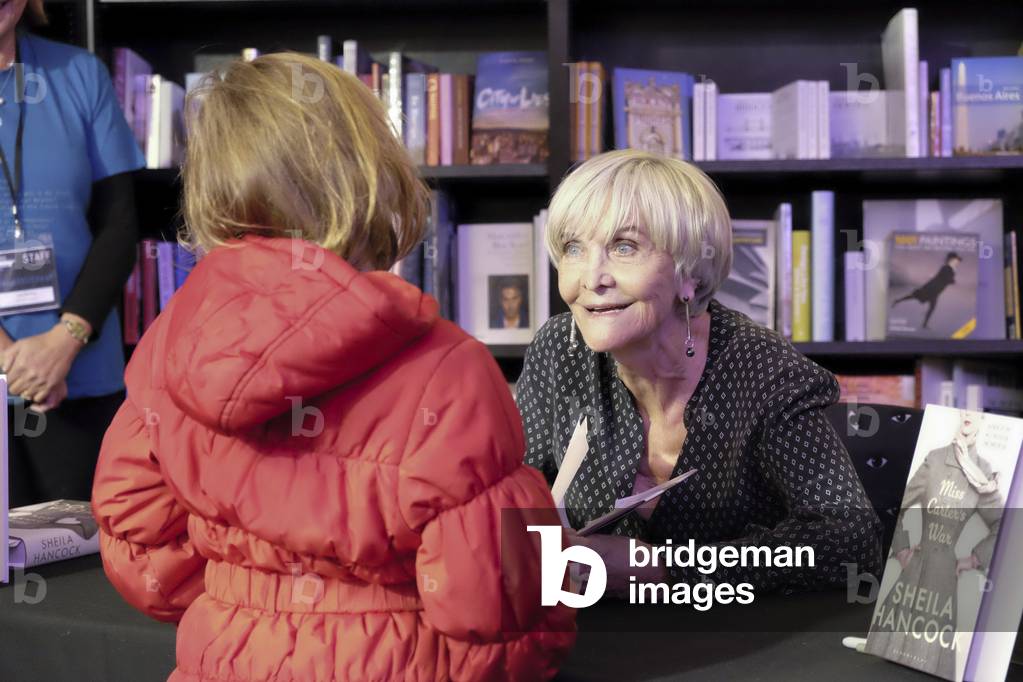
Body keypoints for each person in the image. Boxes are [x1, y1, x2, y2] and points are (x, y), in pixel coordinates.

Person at [90, 53, 574, 681]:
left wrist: (250, 602)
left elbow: (139, 548)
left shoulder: (165, 347)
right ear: (371, 174)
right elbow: (506, 617)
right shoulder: (448, 370)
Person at [518, 149, 882, 595]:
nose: (591, 277)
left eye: (624, 247)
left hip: (746, 641)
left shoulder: (764, 372)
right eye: (574, 248)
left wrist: (659, 569)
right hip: (593, 638)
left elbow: (850, 540)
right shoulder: (559, 350)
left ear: (689, 274)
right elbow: (511, 496)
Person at [0, 0, 143, 507]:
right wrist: (9, 360)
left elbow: (120, 225)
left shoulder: (80, 74)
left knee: (81, 568)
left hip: (79, 372)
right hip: (16, 368)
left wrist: (64, 340)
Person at [865, 410, 1002, 679]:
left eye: (976, 412)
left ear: (982, 420)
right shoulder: (936, 459)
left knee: (930, 660)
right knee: (886, 659)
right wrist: (902, 546)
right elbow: (901, 503)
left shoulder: (985, 474)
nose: (969, 415)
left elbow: (1005, 526)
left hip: (943, 578)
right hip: (913, 570)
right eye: (965, 409)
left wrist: (974, 558)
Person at [891, 251, 961, 329]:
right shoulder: (946, 267)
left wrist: (951, 280)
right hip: (932, 288)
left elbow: (946, 279)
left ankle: (923, 323)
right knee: (917, 297)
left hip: (936, 290)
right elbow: (944, 278)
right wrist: (951, 281)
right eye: (955, 260)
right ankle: (898, 301)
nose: (956, 262)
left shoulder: (949, 268)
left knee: (925, 303)